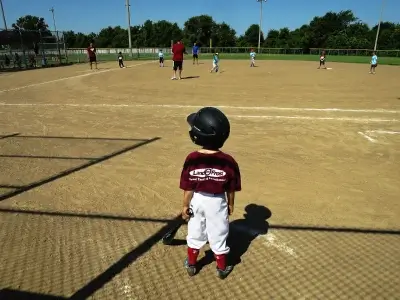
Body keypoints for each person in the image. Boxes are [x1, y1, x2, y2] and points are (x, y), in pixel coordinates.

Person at [179, 107, 242, 280]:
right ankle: (221, 267)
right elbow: (231, 188)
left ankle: (192, 264)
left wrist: (185, 205)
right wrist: (230, 204)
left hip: (197, 200)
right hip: (217, 202)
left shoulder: (192, 158)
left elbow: (189, 188)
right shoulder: (228, 161)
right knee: (218, 232)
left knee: (195, 230)